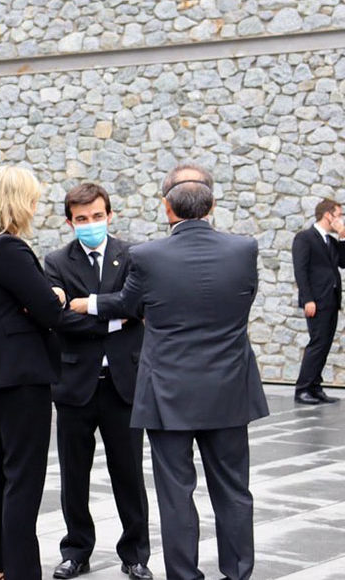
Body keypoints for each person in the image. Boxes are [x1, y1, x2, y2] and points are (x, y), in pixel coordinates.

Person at [70, 164, 269, 580]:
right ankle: (238, 573)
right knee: (234, 489)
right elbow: (244, 299)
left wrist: (88, 303)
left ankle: (183, 574)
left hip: (168, 391)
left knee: (175, 494)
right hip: (229, 387)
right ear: (211, 206)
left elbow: (128, 304)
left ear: (166, 208)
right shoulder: (243, 249)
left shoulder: (147, 256)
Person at [0, 165, 67, 580]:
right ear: (19, 202)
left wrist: (37, 301)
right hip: (21, 375)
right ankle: (21, 570)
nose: (35, 208)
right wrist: (55, 294)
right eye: (33, 200)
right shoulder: (9, 249)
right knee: (23, 476)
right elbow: (49, 310)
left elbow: (29, 304)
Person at [43, 183, 152, 580]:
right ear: (70, 222)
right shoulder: (56, 262)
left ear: (110, 215)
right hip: (75, 382)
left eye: (97, 216)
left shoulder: (133, 256)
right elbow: (57, 318)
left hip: (123, 381)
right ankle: (76, 550)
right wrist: (114, 319)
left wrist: (90, 308)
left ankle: (135, 554)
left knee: (129, 473)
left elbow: (137, 305)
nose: (91, 224)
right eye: (82, 219)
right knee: (74, 474)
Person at [291, 198, 345, 405]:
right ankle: (303, 389)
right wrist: (308, 299)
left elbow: (343, 262)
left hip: (331, 299)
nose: (340, 219)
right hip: (316, 301)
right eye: (338, 215)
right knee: (317, 343)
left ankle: (315, 387)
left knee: (325, 345)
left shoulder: (330, 240)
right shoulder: (305, 238)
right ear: (327, 215)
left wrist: (342, 237)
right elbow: (300, 270)